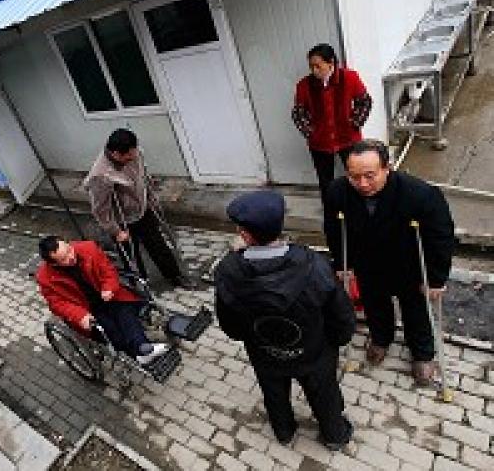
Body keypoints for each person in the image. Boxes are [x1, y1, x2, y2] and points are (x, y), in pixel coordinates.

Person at [215, 190, 355, 449]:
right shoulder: (315, 265)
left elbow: (231, 326)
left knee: (274, 393)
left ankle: (284, 431)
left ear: (245, 234)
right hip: (314, 352)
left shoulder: (228, 271)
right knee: (324, 394)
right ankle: (335, 435)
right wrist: (338, 340)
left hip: (265, 353)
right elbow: (341, 315)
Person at [323, 139, 455, 384]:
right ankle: (381, 338)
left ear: (387, 168)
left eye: (370, 176)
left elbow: (441, 237)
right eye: (354, 176)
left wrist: (436, 279)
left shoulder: (420, 195)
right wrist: (342, 263)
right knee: (374, 305)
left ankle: (423, 354)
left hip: (409, 265)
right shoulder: (338, 192)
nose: (362, 184)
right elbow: (334, 229)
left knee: (415, 310)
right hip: (368, 263)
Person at [84, 128, 193, 289]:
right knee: (131, 255)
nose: (134, 155)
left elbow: (143, 175)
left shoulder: (135, 152)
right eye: (129, 154)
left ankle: (174, 275)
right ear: (116, 154)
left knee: (158, 245)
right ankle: (140, 284)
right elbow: (100, 210)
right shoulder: (100, 176)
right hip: (123, 221)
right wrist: (116, 231)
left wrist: (150, 197)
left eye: (135, 151)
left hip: (142, 209)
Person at [36, 236, 169, 364]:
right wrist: (80, 315)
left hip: (108, 296)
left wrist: (109, 287)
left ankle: (141, 348)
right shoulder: (45, 278)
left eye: (69, 250)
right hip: (86, 309)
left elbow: (108, 271)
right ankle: (138, 352)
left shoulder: (89, 248)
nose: (71, 257)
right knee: (110, 330)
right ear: (53, 263)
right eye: (64, 259)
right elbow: (57, 304)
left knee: (125, 314)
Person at [292, 43, 372, 205]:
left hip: (348, 138)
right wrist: (310, 132)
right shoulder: (304, 85)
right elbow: (298, 112)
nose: (314, 70)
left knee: (357, 174)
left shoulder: (349, 78)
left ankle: (359, 205)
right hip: (319, 143)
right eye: (311, 67)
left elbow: (364, 101)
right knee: (325, 180)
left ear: (331, 63)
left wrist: (355, 123)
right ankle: (331, 210)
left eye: (318, 66)